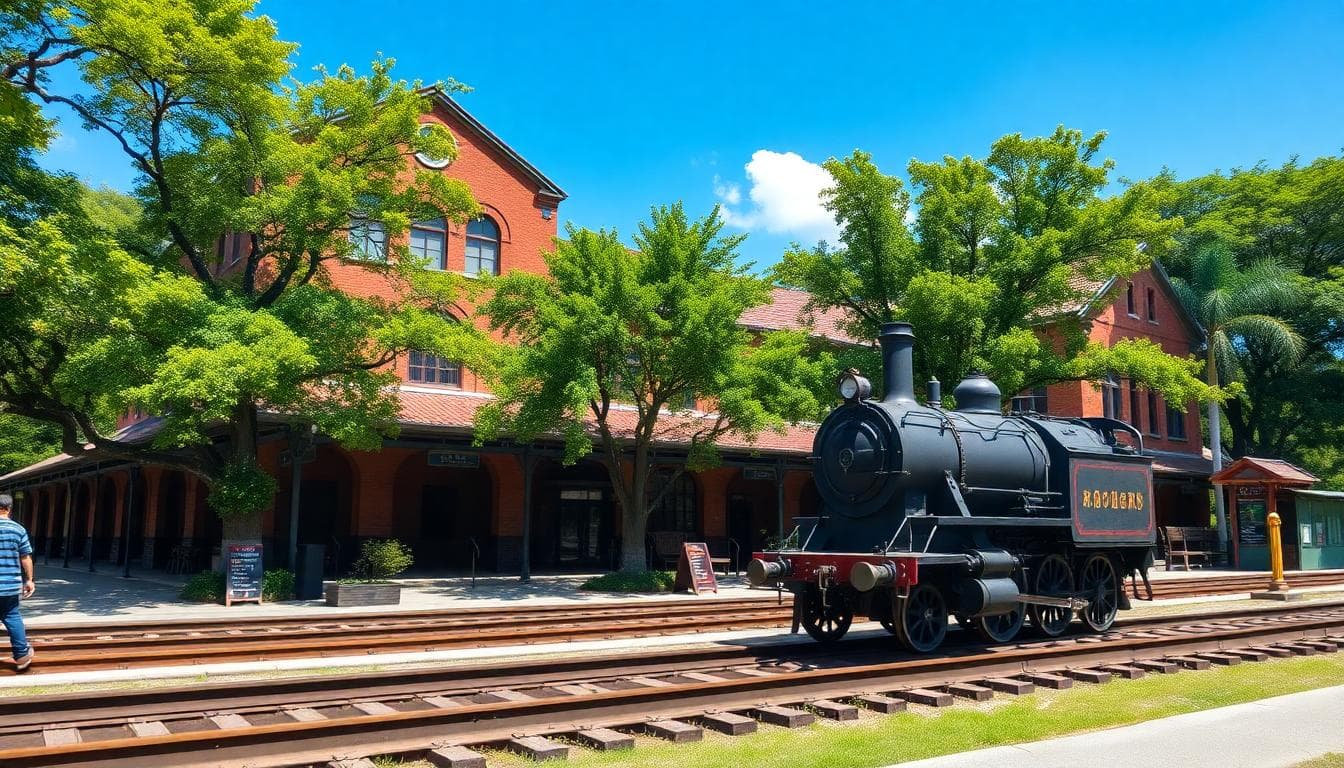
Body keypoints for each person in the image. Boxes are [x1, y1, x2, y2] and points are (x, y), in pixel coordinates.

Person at [0, 494, 34, 671]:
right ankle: (21, 656)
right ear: (9, 509)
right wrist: (29, 580)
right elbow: (25, 557)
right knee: (12, 616)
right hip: (10, 585)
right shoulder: (18, 529)